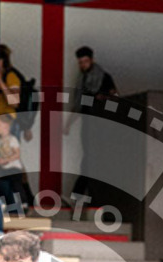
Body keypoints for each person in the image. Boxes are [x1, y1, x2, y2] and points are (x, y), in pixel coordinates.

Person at [65, 46, 118, 202]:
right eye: (80, 62)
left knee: (91, 160)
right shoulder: (82, 80)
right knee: (90, 159)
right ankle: (85, 197)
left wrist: (101, 99)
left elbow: (115, 99)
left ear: (92, 60)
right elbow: (79, 104)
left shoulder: (104, 77)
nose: (83, 66)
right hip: (88, 123)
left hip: (102, 125)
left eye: (85, 62)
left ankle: (79, 195)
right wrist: (69, 124)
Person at [0, 116, 30, 211]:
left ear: (6, 126)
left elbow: (17, 154)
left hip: (13, 167)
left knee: (16, 184)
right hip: (2, 169)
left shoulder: (12, 139)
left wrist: (6, 160)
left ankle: (23, 202)